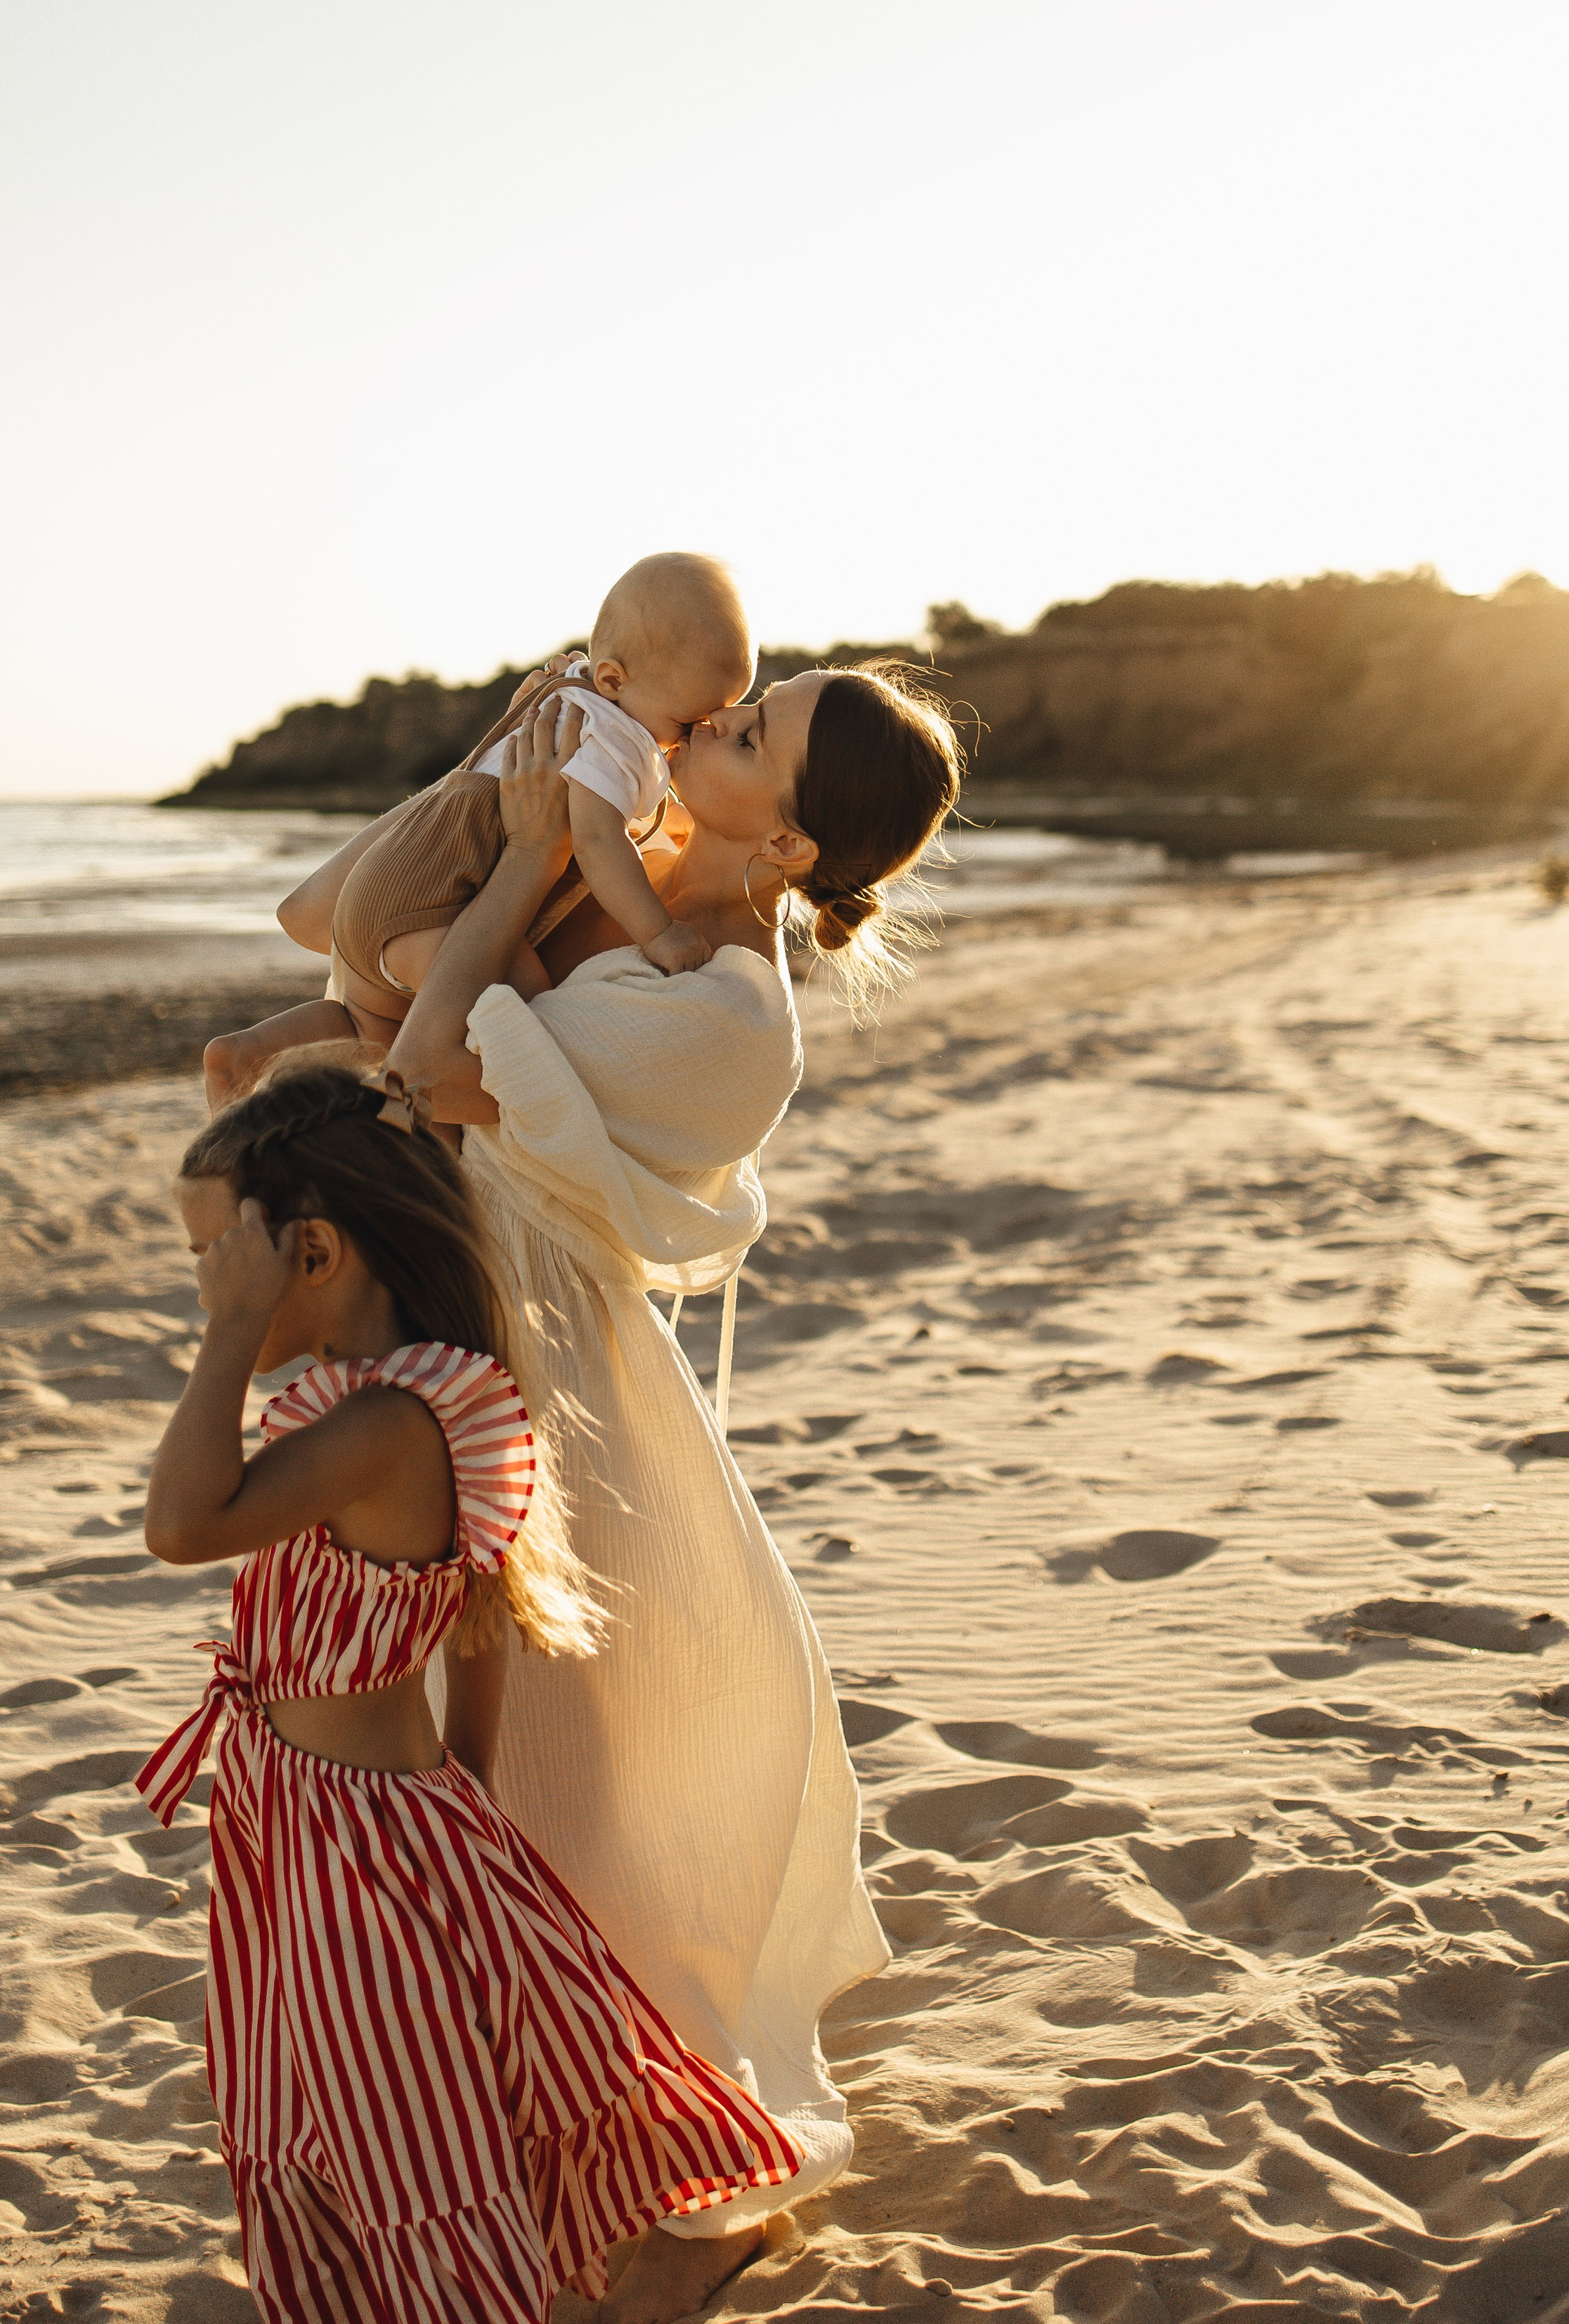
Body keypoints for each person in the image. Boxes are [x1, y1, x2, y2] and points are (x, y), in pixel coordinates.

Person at [384, 661, 962, 2323]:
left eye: (749, 730)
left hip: (555, 1381)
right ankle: (529, 2131)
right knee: (487, 1758)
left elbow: (432, 1048)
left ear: (785, 841)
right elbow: (361, 943)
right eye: (739, 704)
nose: (714, 722)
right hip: (466, 1335)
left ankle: (690, 2166)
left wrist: (465, 928)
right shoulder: (619, 865)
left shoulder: (732, 1018)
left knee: (580, 1771)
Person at [136, 1064, 801, 2324]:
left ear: (312, 1251)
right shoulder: (430, 1395)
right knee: (324, 2094)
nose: (206, 1288)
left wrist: (229, 1334)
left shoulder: (394, 1423)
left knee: (402, 2130)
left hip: (350, 1840)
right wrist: (471, 1794)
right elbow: (484, 1621)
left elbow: (183, 1523)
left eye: (215, 1261)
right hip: (328, 1825)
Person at [203, 554, 755, 1111]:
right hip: (439, 906)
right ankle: (406, 1118)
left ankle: (245, 1057)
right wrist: (658, 933)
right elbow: (597, 841)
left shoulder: (565, 692)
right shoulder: (619, 737)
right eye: (689, 722)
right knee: (533, 1019)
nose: (696, 734)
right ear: (614, 680)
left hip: (380, 883)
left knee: (370, 1024)